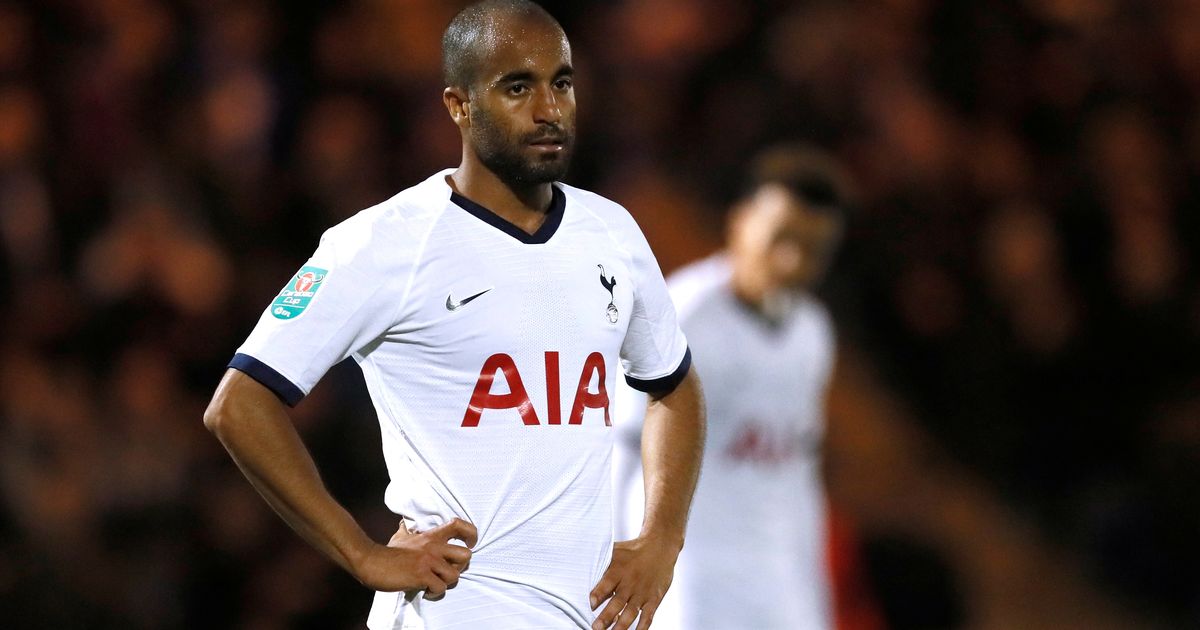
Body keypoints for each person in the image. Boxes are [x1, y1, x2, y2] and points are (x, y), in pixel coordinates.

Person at [202, 2, 705, 629]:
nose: (549, 109)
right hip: (455, 609)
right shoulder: (385, 241)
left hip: (583, 613)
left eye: (562, 83)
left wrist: (662, 539)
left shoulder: (612, 231)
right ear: (458, 105)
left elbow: (674, 385)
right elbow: (238, 404)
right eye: (517, 87)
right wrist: (360, 552)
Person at [613, 145, 850, 629]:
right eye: (781, 238)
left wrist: (815, 587)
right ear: (741, 223)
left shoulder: (813, 334)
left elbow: (799, 474)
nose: (792, 260)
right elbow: (621, 449)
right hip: (693, 577)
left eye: (812, 249)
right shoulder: (683, 319)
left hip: (778, 576)